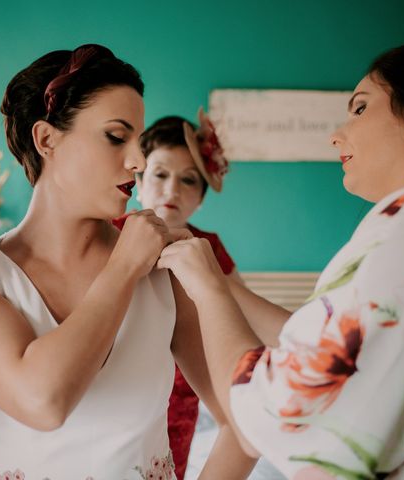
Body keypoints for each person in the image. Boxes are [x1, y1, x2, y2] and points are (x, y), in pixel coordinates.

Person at [0, 44, 255, 479]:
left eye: (139, 141)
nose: (139, 161)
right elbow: (44, 402)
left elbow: (245, 420)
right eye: (116, 136)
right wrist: (124, 265)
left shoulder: (165, 270)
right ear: (46, 139)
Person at [157, 42, 404, 478]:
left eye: (359, 109)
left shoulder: (402, 240)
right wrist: (220, 288)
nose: (336, 134)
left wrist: (207, 288)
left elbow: (265, 417)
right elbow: (315, 343)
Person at [119, 114, 284, 480]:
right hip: (122, 379)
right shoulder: (110, 235)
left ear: (201, 197)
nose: (172, 190)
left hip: (187, 387)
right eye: (161, 174)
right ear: (140, 179)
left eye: (188, 179)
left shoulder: (208, 249)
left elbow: (244, 326)